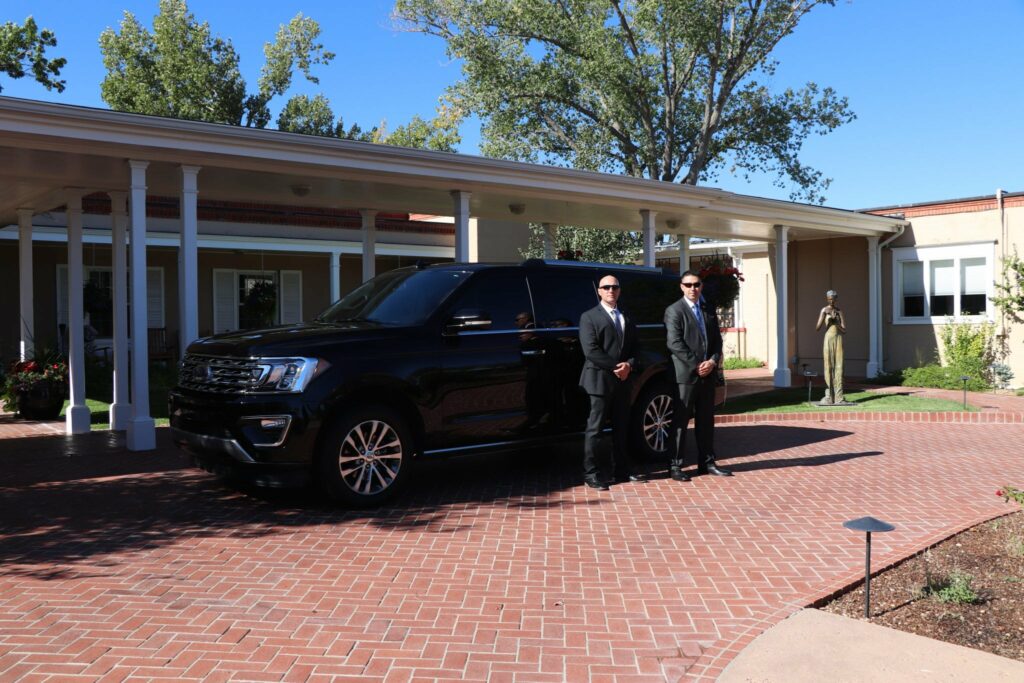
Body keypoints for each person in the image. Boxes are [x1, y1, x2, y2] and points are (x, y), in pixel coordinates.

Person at [578, 275, 647, 490]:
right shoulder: (589, 317)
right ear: (599, 291)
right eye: (606, 287)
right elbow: (590, 350)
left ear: (619, 290)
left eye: (615, 287)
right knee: (595, 430)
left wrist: (629, 365)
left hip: (623, 381)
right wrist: (617, 367)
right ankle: (592, 474)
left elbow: (636, 346)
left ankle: (622, 471)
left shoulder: (626, 315)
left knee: (622, 428)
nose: (611, 290)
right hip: (599, 380)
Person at [664, 271, 732, 480]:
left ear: (701, 286)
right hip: (686, 375)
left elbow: (717, 341)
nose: (693, 288)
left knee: (706, 420)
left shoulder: (707, 309)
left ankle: (707, 463)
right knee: (680, 421)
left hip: (707, 374)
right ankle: (675, 466)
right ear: (681, 287)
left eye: (696, 284)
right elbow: (674, 343)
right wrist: (697, 365)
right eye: (689, 285)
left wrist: (712, 361)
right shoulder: (674, 310)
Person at [815, 289, 847, 405]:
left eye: (833, 299)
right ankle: (829, 396)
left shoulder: (839, 311)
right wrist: (827, 319)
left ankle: (839, 397)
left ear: (836, 299)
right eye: (829, 299)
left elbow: (844, 330)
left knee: (839, 366)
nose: (831, 301)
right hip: (828, 338)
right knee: (828, 365)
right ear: (827, 299)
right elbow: (817, 328)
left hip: (838, 338)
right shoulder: (824, 310)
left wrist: (836, 323)